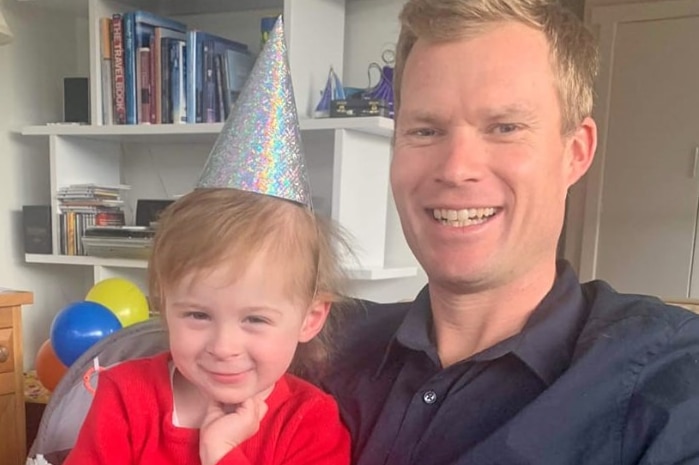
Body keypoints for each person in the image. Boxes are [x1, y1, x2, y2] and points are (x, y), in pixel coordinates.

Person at [322, 1, 699, 464]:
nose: (457, 169)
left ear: (575, 153)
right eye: (425, 130)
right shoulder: (310, 347)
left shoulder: (674, 382)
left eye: (504, 127)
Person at [63, 17, 350, 465]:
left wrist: (220, 456)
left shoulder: (309, 423)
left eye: (255, 319)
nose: (223, 346)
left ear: (310, 318)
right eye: (197, 314)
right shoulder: (126, 395)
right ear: (163, 302)